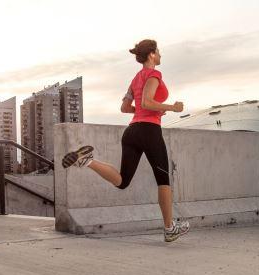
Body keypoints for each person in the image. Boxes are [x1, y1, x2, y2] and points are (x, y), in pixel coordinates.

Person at [61, 39, 190, 242]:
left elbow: (125, 108)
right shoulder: (154, 74)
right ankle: (169, 228)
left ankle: (87, 161)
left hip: (131, 132)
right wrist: (172, 107)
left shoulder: (135, 79)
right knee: (163, 180)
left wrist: (148, 108)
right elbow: (147, 102)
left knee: (122, 181)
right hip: (149, 131)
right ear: (151, 55)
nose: (160, 55)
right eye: (158, 51)